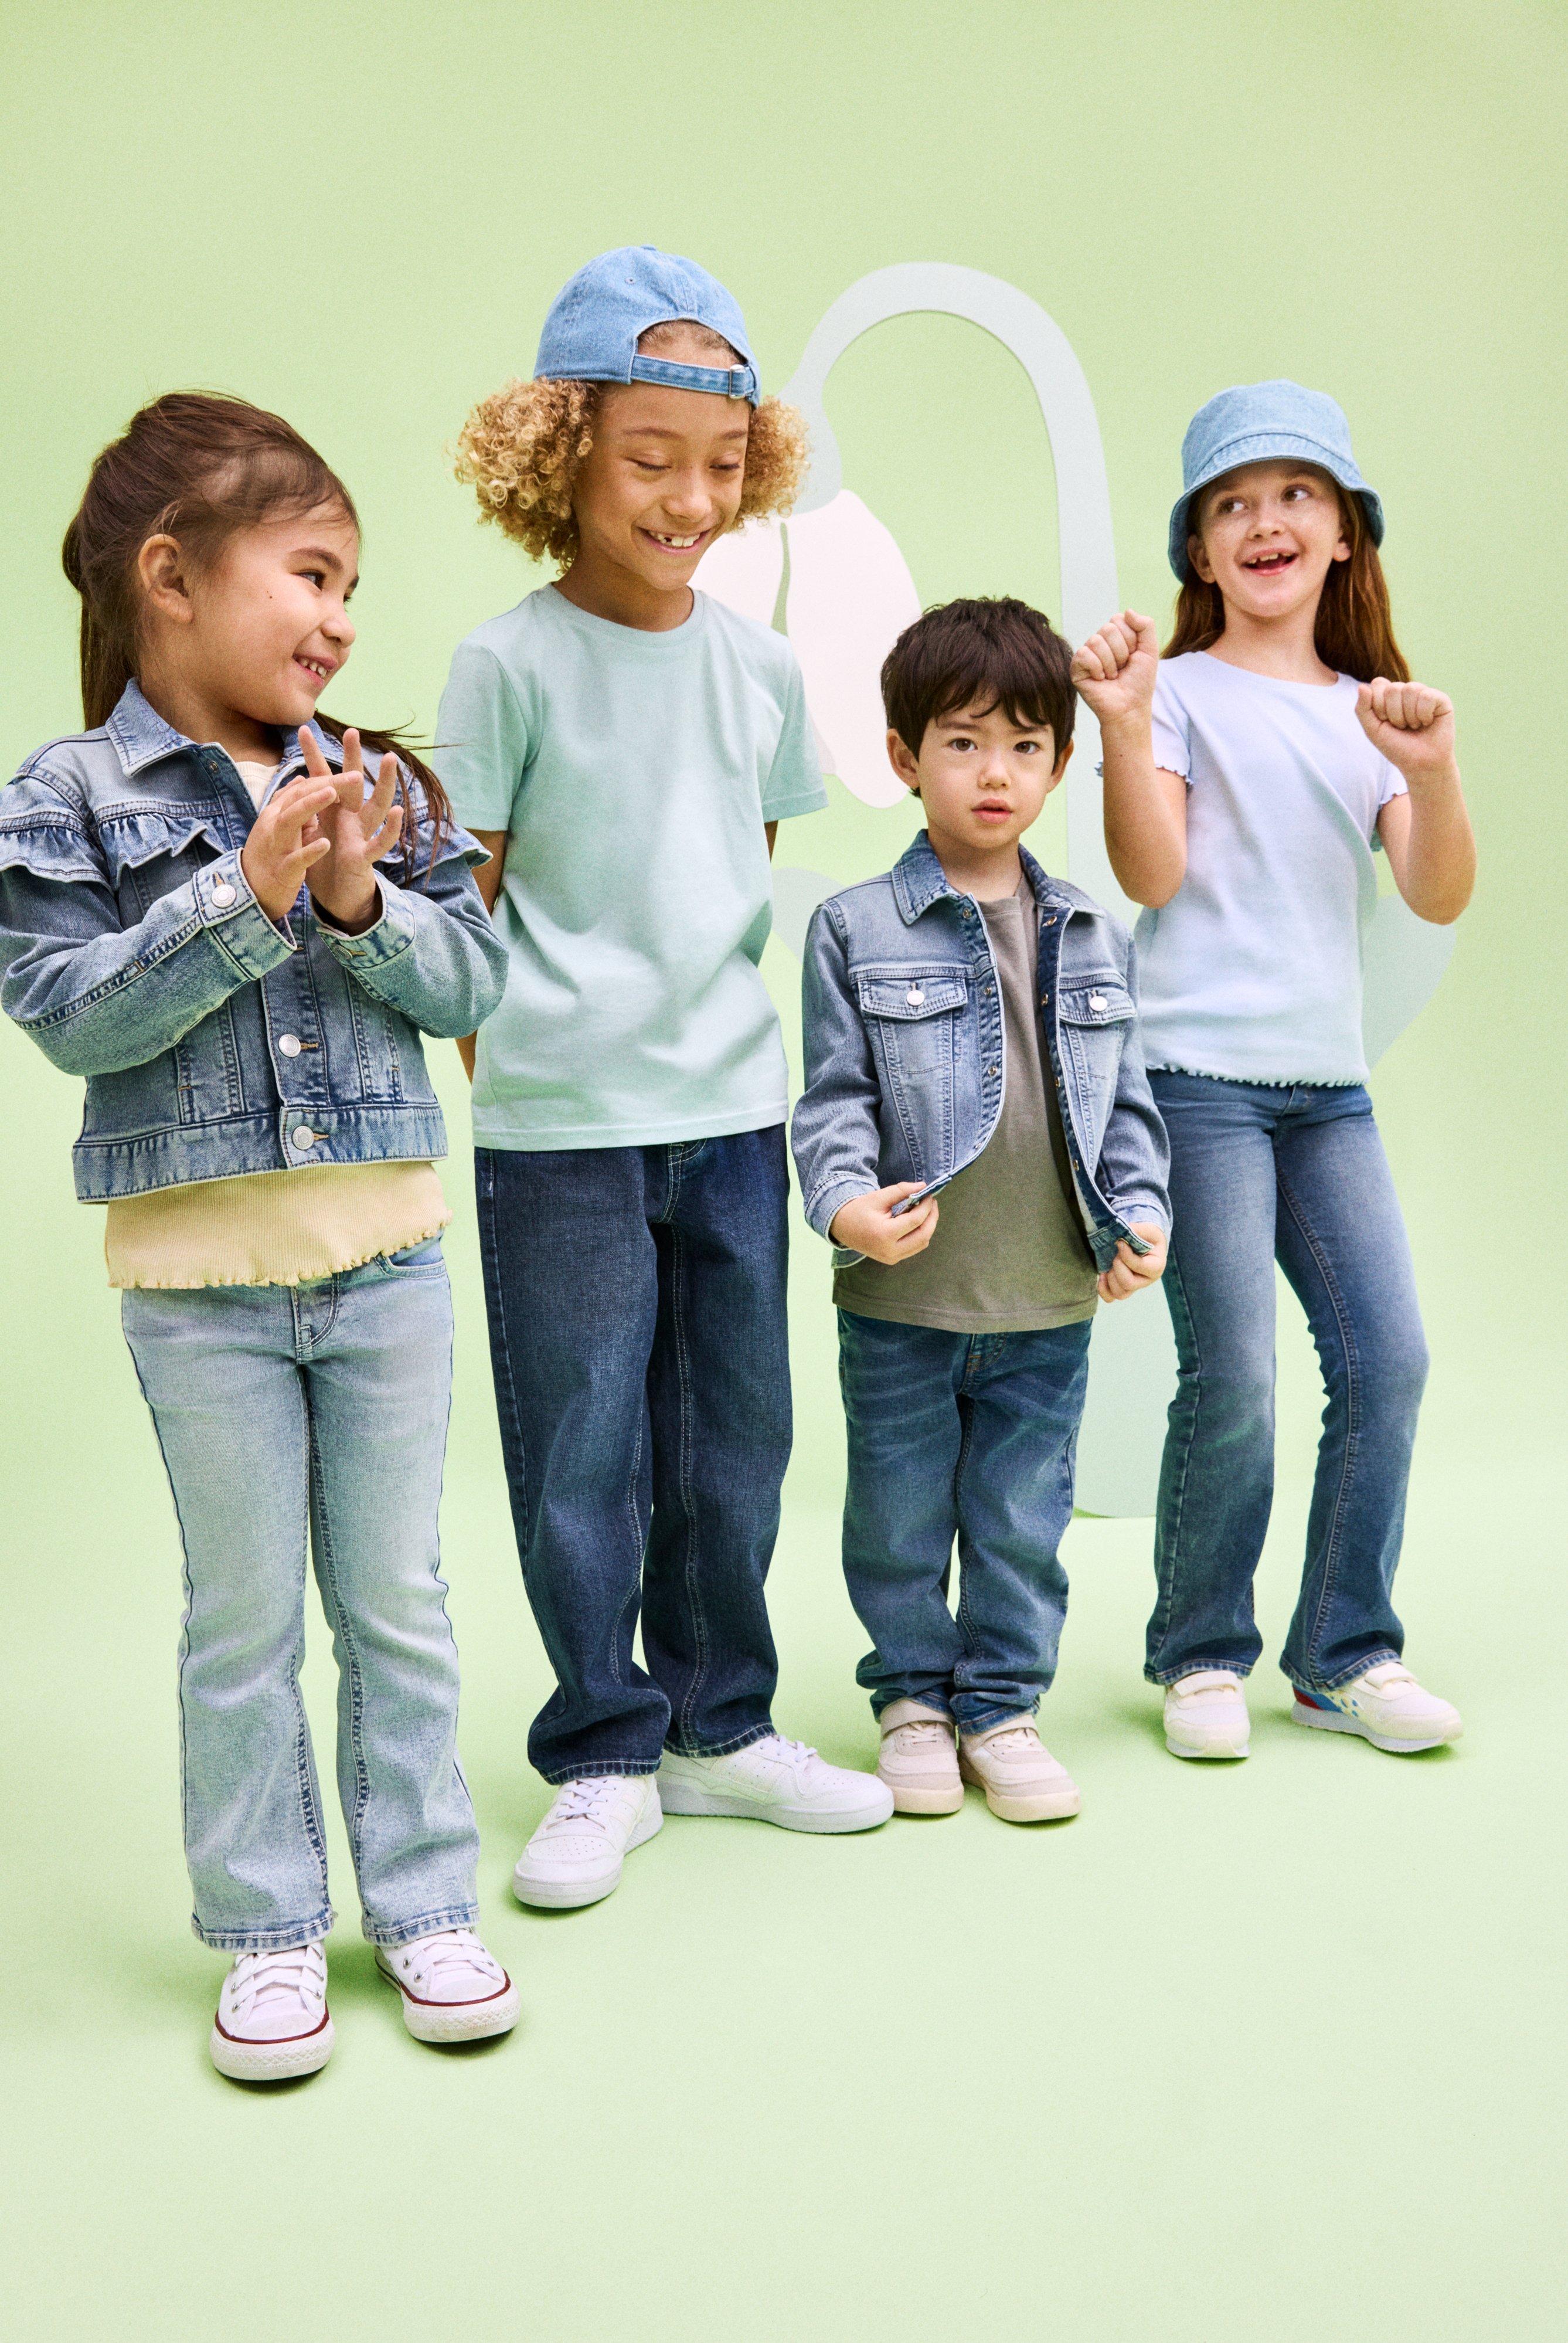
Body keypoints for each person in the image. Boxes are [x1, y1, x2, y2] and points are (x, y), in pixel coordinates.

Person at [0, 394, 518, 2082]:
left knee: (400, 1601)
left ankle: (423, 1900)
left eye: (353, 582)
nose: (342, 616)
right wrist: (245, 901)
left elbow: (476, 985)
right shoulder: (68, 794)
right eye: (310, 571)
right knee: (242, 1619)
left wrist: (360, 899)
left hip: (387, 1261)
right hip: (201, 1293)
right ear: (171, 574)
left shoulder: (374, 781)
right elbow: (68, 1017)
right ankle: (269, 1928)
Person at [438, 245, 894, 1911]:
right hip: (560, 1126)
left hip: (729, 1113)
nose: (687, 498)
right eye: (648, 460)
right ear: (560, 454)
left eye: (719, 466)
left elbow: (735, 870)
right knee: (579, 1446)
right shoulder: (502, 666)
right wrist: (541, 1073)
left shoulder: (761, 673)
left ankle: (721, 1726)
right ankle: (604, 1749)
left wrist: (697, 1052)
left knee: (732, 1436)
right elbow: (463, 913)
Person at [1073, 379, 1475, 1762]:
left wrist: (1438, 770)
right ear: (1197, 550)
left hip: (1327, 1092)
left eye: (1296, 494)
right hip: (1198, 1082)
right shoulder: (1174, 691)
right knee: (1232, 1367)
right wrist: (1125, 728)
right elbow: (1151, 871)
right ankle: (1200, 1654)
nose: (1265, 522)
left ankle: (1345, 1652)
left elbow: (1435, 893)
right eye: (1232, 504)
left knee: (1392, 1361)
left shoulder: (1374, 713)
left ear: (1346, 534)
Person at [791, 599, 1171, 1821]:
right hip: (906, 1296)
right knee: (898, 1514)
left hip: (1050, 1291)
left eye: (1023, 744)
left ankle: (1000, 1707)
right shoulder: (853, 925)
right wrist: (844, 1204)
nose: (994, 771)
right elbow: (834, 1097)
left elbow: (1129, 1109)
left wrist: (1139, 1215)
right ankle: (911, 1698)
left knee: (1018, 1516)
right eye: (962, 742)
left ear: (1062, 764)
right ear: (905, 759)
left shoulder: (1095, 935)